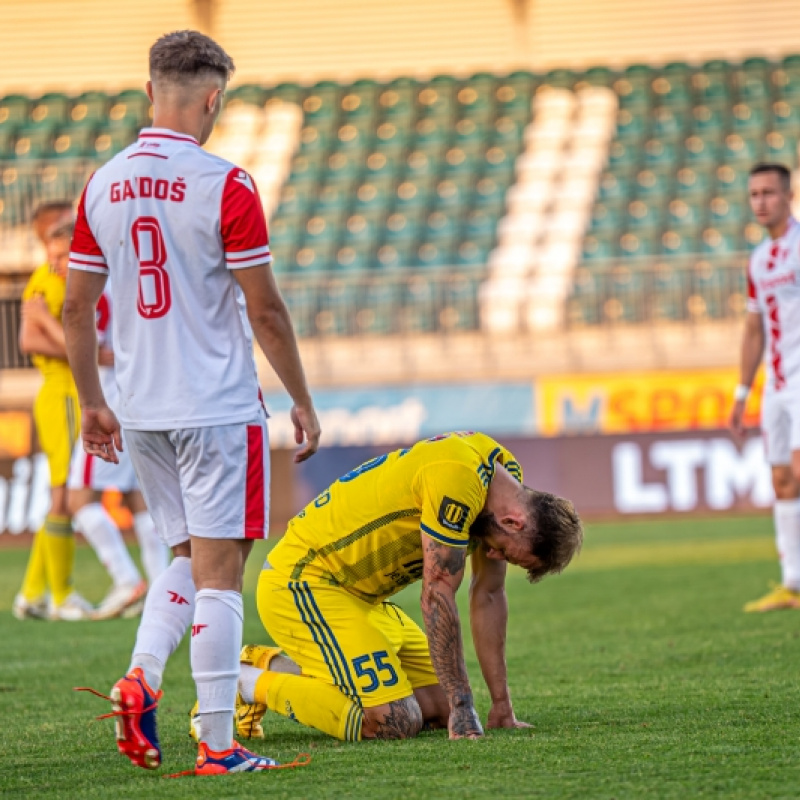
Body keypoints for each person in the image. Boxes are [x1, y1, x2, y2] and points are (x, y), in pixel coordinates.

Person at [64, 30, 320, 776]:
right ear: (213, 99)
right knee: (221, 572)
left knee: (185, 556)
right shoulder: (224, 183)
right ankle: (217, 745)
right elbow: (265, 309)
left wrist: (92, 403)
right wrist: (300, 397)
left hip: (140, 408)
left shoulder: (102, 184)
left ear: (150, 93)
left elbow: (77, 310)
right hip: (214, 404)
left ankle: (142, 675)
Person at [194, 431, 582, 742]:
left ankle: (282, 664)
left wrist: (500, 706)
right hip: (305, 583)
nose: (496, 557)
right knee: (394, 720)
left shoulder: (501, 484)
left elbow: (489, 594)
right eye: (509, 555)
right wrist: (464, 704)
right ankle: (244, 680)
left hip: (363, 599)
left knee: (438, 710)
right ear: (515, 522)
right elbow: (437, 592)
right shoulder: (458, 479)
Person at [66, 285, 169, 620]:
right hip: (142, 396)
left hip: (107, 397)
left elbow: (87, 339)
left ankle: (127, 581)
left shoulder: (96, 286)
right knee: (137, 494)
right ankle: (162, 588)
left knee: (80, 499)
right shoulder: (135, 275)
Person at [13, 209, 94, 622]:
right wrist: (79, 346)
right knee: (64, 491)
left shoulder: (63, 275)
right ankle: (61, 594)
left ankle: (31, 594)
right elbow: (30, 336)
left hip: (69, 393)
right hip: (63, 391)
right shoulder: (48, 280)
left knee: (64, 493)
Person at [731, 162, 800, 613]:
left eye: (769, 193)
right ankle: (793, 583)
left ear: (788, 194)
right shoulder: (759, 259)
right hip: (776, 385)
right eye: (754, 194)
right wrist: (742, 393)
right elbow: (754, 329)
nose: (761, 201)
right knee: (782, 479)